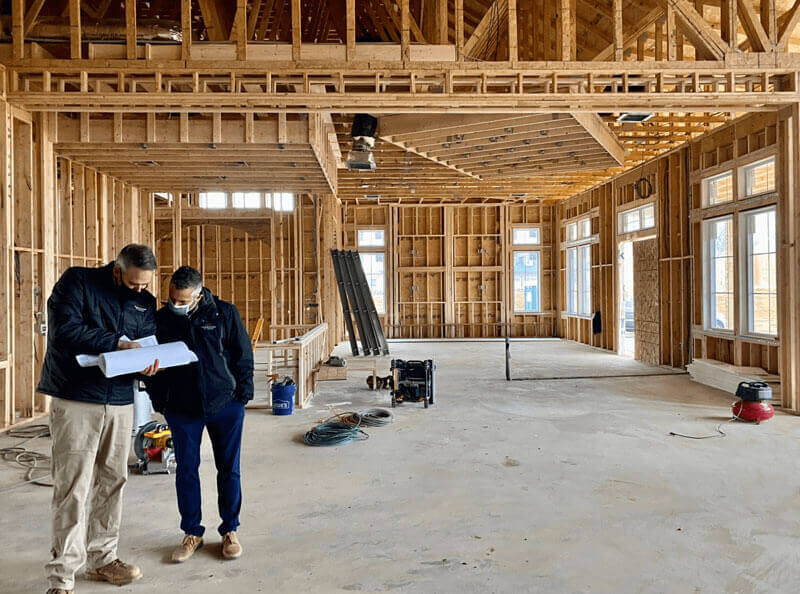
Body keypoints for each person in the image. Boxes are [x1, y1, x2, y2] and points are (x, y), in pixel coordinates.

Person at [37, 244, 161, 594]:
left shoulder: (144, 301)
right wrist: (118, 344)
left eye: (146, 285)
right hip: (77, 398)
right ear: (117, 270)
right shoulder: (78, 282)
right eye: (135, 283)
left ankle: (103, 559)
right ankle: (62, 576)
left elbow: (145, 342)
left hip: (120, 399)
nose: (141, 290)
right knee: (72, 488)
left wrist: (150, 362)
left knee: (112, 482)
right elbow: (65, 330)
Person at [145, 266, 254, 563]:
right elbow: (151, 363)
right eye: (172, 300)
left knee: (229, 468)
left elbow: (243, 354)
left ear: (198, 294)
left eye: (182, 301)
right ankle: (192, 532)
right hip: (182, 409)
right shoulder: (162, 320)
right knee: (187, 470)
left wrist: (242, 396)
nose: (176, 306)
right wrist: (160, 401)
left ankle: (230, 530)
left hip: (225, 405)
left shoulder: (223, 314)